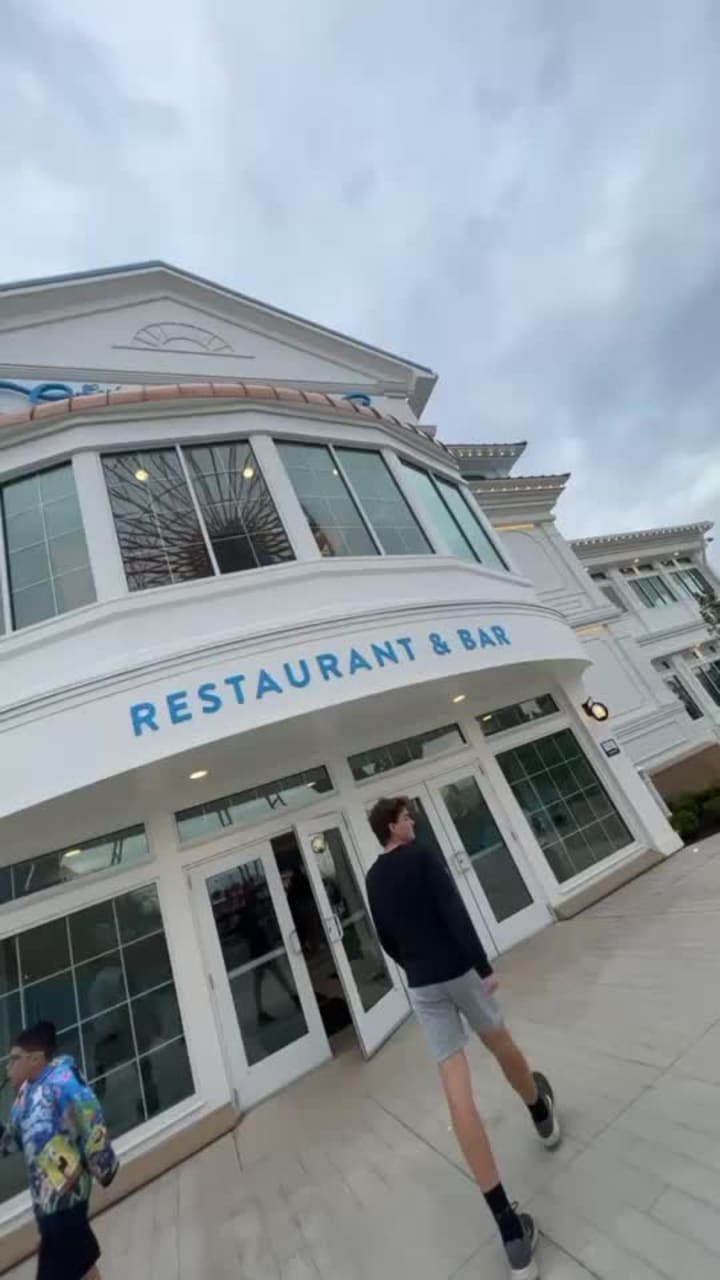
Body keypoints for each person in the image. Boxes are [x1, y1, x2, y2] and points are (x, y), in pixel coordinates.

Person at [366, 797, 560, 1280]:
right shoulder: (424, 856)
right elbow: (454, 911)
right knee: (499, 1042)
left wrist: (413, 964)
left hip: (421, 983)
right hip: (456, 968)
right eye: (407, 816)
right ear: (393, 825)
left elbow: (385, 936)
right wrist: (483, 966)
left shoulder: (372, 877)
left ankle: (510, 1231)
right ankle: (540, 1112)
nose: (413, 821)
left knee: (456, 1090)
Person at [0, 1021, 118, 1280]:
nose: (8, 1068)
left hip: (67, 1196)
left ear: (35, 1059)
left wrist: (103, 1164)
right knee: (82, 1265)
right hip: (45, 1201)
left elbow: (91, 1118)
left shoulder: (65, 1083)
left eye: (14, 1059)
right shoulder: (24, 1096)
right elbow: (14, 1137)